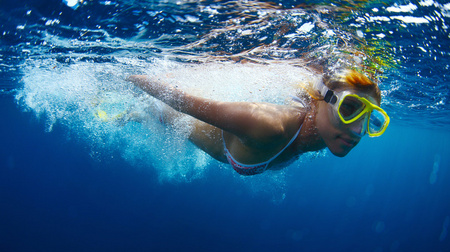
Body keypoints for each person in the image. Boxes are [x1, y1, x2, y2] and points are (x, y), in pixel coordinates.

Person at [126, 68, 390, 176]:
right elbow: (179, 100)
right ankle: (142, 111)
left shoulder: (330, 129)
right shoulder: (267, 126)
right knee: (163, 113)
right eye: (349, 108)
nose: (358, 131)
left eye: (370, 119)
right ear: (323, 100)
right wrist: (126, 77)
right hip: (175, 114)